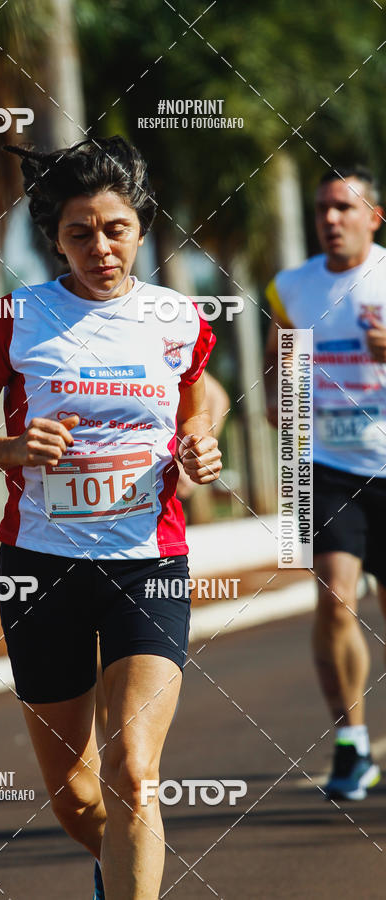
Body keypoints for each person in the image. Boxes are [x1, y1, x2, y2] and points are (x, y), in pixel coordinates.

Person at [0, 136, 222, 900]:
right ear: (55, 239)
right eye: (79, 233)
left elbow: (204, 398)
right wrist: (12, 448)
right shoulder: (15, 319)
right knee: (77, 795)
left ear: (141, 226)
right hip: (40, 570)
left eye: (115, 228)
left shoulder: (176, 319)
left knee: (134, 771)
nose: (100, 247)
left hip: (149, 565)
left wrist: (201, 439)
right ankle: (120, 864)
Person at [264, 164, 386, 801]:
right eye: (322, 209)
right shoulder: (292, 287)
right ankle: (351, 745)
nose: (331, 219)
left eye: (344, 207)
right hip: (330, 468)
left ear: (374, 216)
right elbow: (275, 385)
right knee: (336, 598)